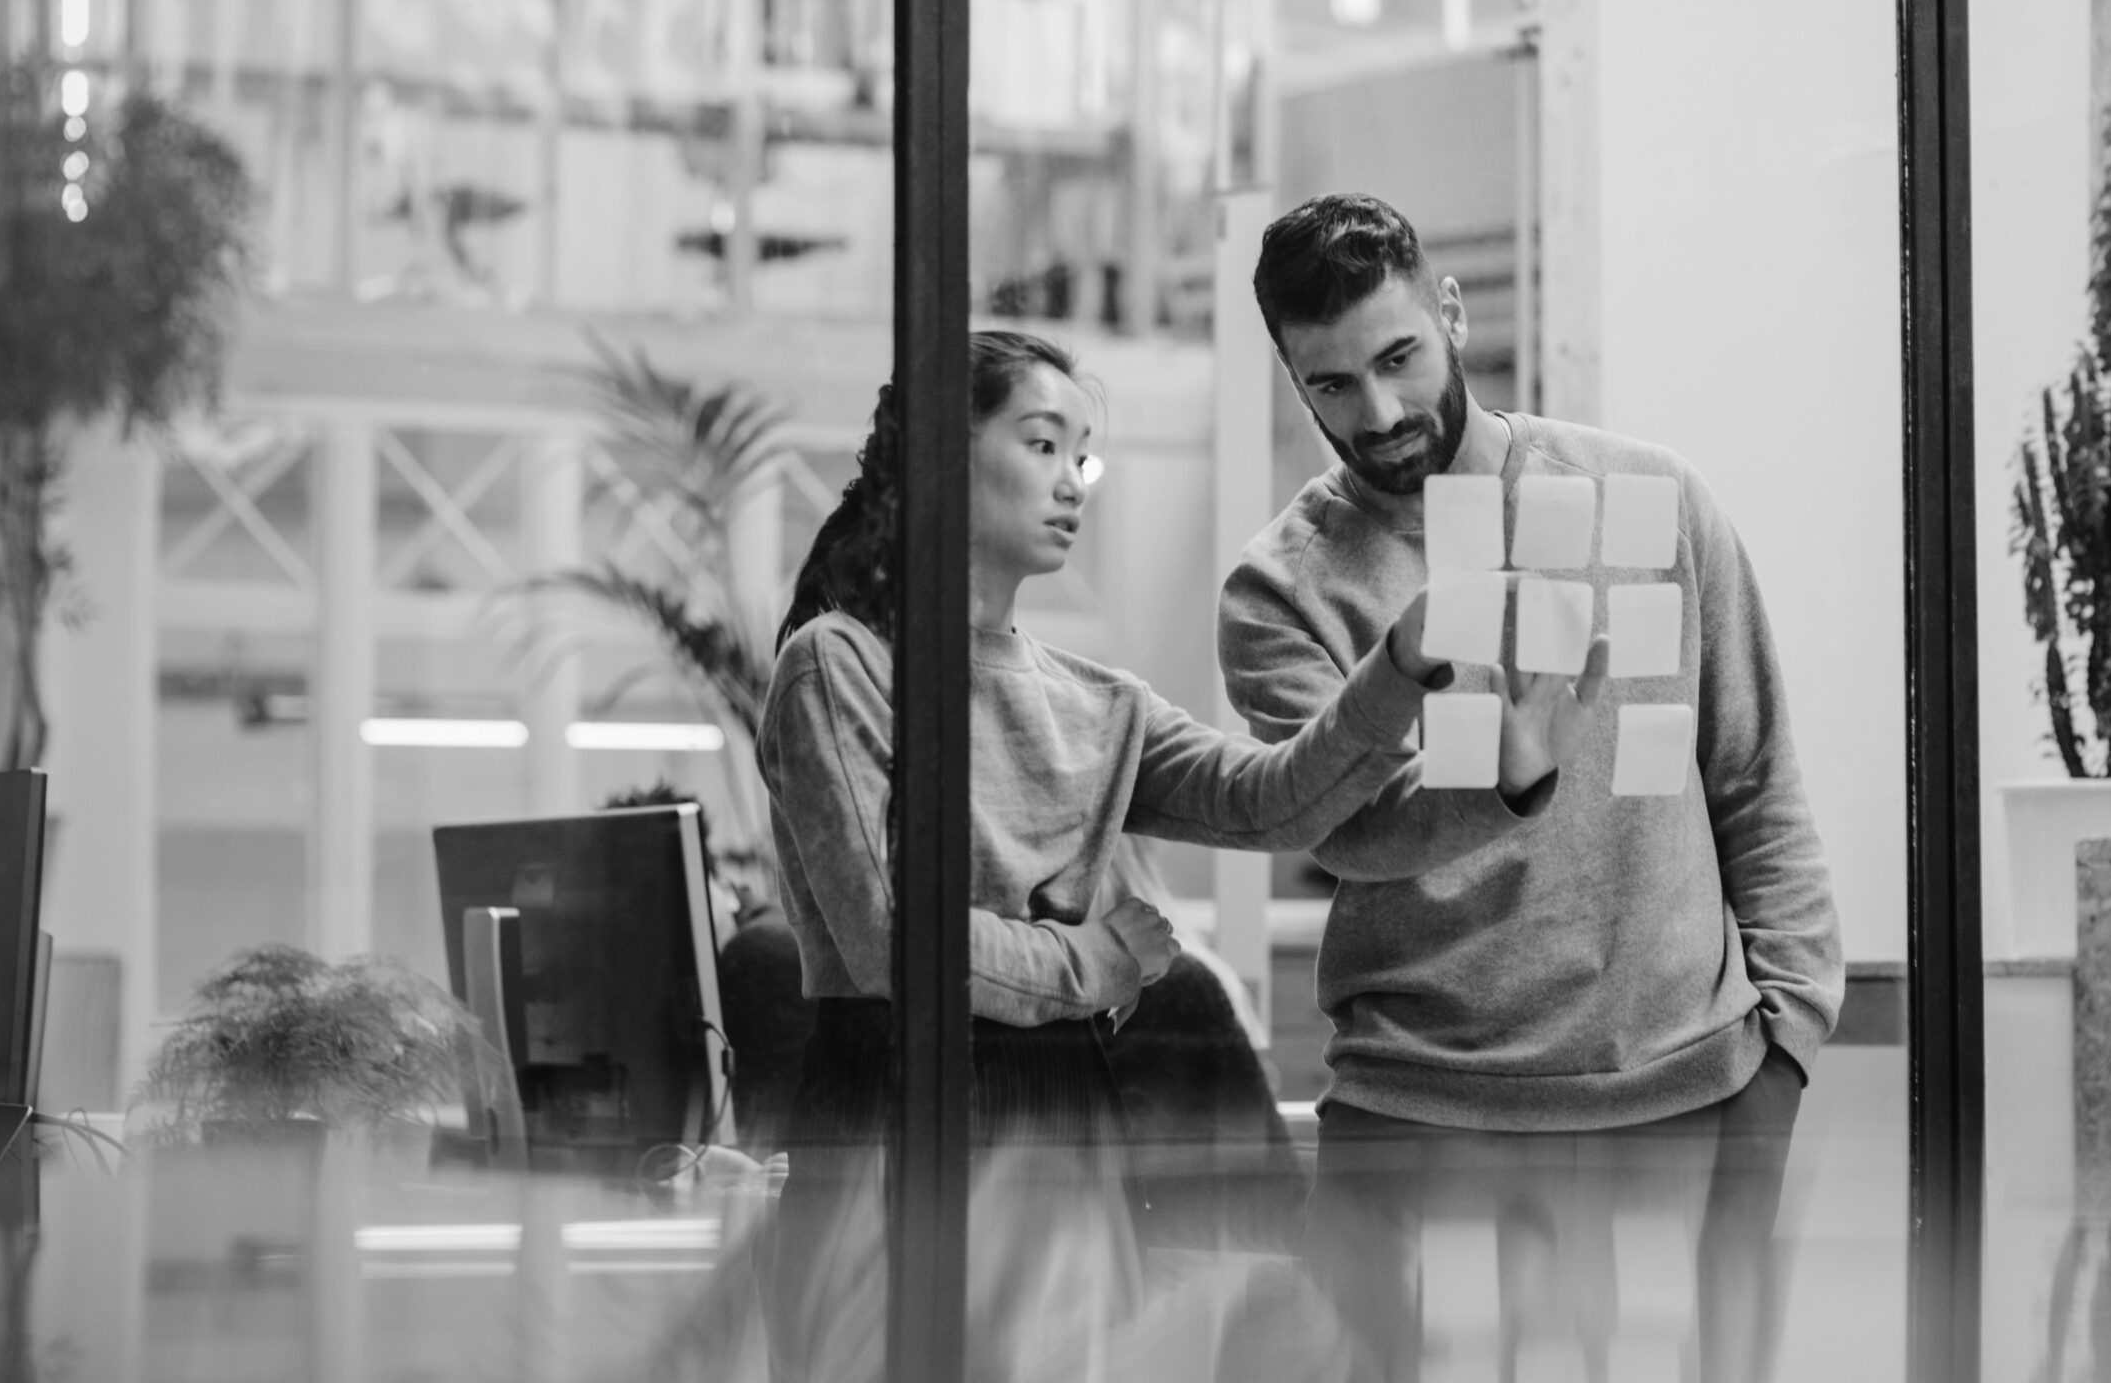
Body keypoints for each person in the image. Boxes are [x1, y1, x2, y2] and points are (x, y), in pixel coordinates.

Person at [753, 329, 1608, 1383]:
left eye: (1083, 454)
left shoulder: (1095, 700)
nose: (1072, 481)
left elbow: (1276, 804)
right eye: (1041, 444)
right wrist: (1098, 964)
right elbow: (896, 946)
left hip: (1062, 1113)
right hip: (894, 1106)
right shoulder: (838, 663)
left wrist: (1408, 673)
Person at [1217, 194, 1845, 1381]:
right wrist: (1501, 761)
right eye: (1332, 386)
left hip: (1683, 1101)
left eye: (1398, 358)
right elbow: (1348, 833)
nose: (1382, 412)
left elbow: (1754, 782)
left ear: (1450, 313)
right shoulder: (1281, 590)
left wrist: (1784, 1059)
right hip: (1420, 1120)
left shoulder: (1648, 502)